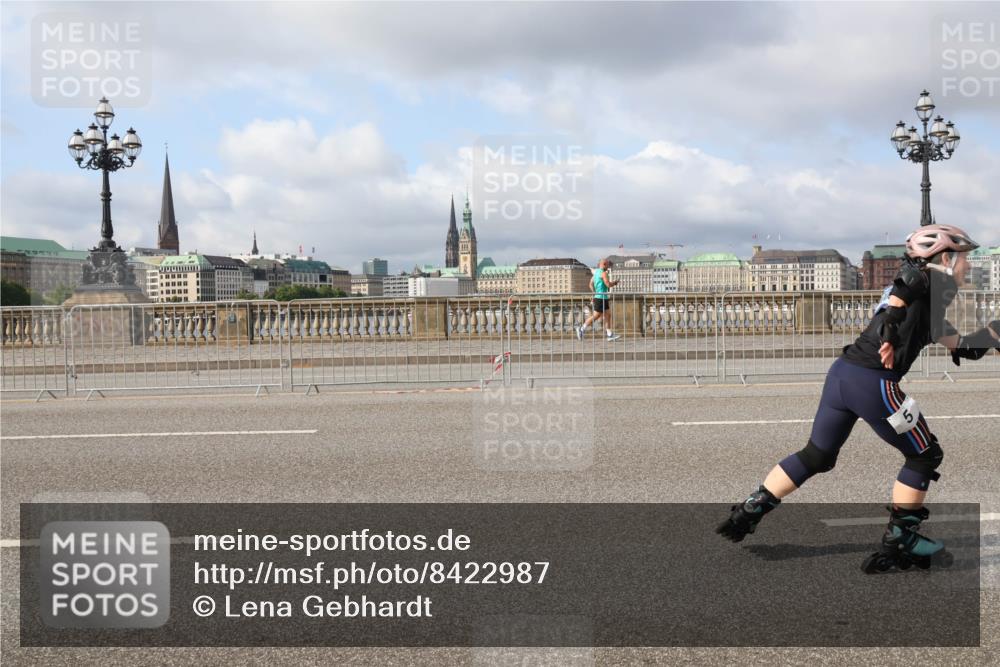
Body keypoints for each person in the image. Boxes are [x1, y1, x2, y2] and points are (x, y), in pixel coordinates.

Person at [715, 224, 999, 573]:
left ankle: (752, 508)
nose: (969, 268)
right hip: (873, 383)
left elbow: (963, 347)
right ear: (944, 257)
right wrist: (892, 325)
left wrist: (994, 331)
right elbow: (909, 279)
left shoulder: (930, 304)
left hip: (842, 377)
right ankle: (901, 539)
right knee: (925, 455)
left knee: (817, 455)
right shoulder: (929, 280)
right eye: (965, 260)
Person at [578, 258, 621, 341]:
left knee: (608, 315)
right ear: (604, 264)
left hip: (601, 297)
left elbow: (590, 284)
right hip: (601, 298)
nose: (608, 266)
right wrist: (615, 283)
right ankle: (581, 329)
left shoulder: (596, 273)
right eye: (608, 264)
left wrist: (594, 292)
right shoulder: (603, 273)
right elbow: (608, 285)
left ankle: (609, 334)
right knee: (596, 316)